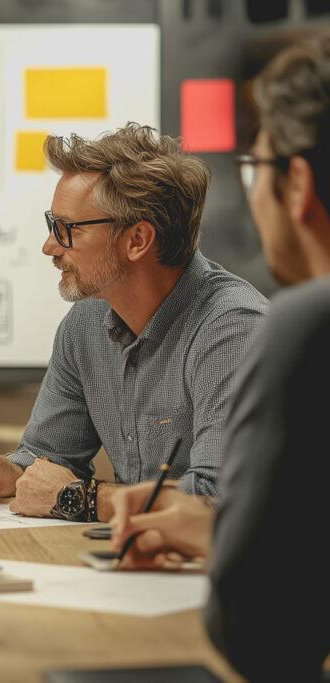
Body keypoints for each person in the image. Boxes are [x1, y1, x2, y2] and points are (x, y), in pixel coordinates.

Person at [110, 36, 330, 681]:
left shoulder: (306, 327)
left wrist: (234, 544)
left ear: (297, 184)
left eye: (252, 169)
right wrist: (219, 533)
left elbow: (260, 636)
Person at [0, 123, 268, 522]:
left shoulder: (233, 330)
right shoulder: (87, 323)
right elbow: (51, 456)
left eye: (66, 229)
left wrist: (83, 497)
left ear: (137, 240)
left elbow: (220, 501)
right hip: (137, 562)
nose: (50, 247)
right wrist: (8, 474)